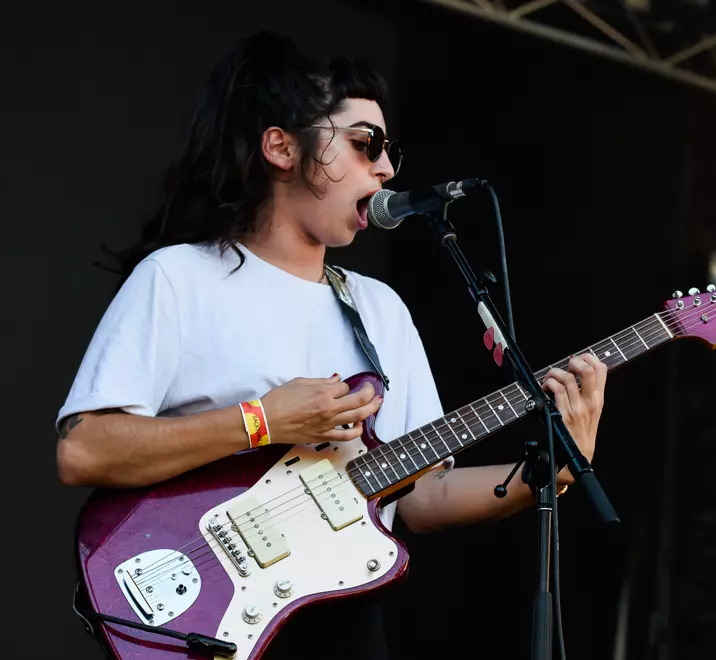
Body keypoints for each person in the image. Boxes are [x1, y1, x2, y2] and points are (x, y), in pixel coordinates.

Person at [55, 31, 607, 660]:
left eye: (389, 150)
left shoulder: (379, 309)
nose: (387, 169)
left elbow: (423, 496)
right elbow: (84, 450)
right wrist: (264, 421)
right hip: (208, 615)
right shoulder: (180, 277)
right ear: (281, 147)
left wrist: (550, 474)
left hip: (342, 624)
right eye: (363, 143)